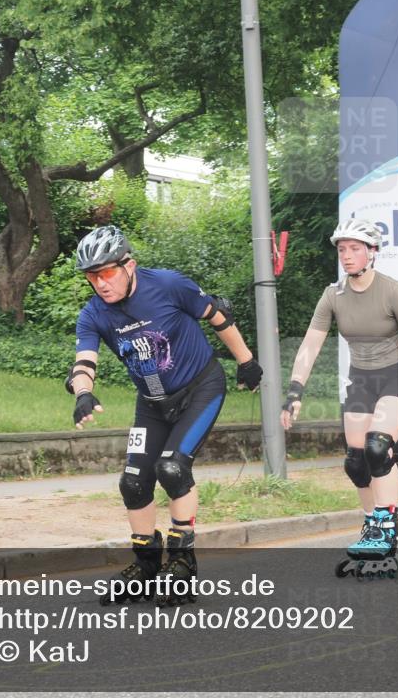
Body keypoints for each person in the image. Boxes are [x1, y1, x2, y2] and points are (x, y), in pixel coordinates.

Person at [67, 225, 262, 606]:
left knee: (172, 468)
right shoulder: (93, 314)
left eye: (107, 273)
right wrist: (83, 394)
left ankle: (182, 562)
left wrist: (246, 361)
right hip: (152, 403)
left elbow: (218, 316)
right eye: (92, 276)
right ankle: (146, 565)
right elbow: (83, 363)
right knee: (133, 482)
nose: (101, 283)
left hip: (201, 388)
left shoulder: (169, 285)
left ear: (129, 265)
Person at [280, 218, 398, 574]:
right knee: (356, 462)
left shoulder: (392, 291)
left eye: (355, 248)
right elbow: (310, 345)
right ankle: (371, 525)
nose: (347, 255)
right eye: (342, 249)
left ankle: (386, 526)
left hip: (397, 376)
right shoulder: (333, 295)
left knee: (377, 447)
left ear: (372, 252)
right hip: (361, 379)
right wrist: (294, 391)